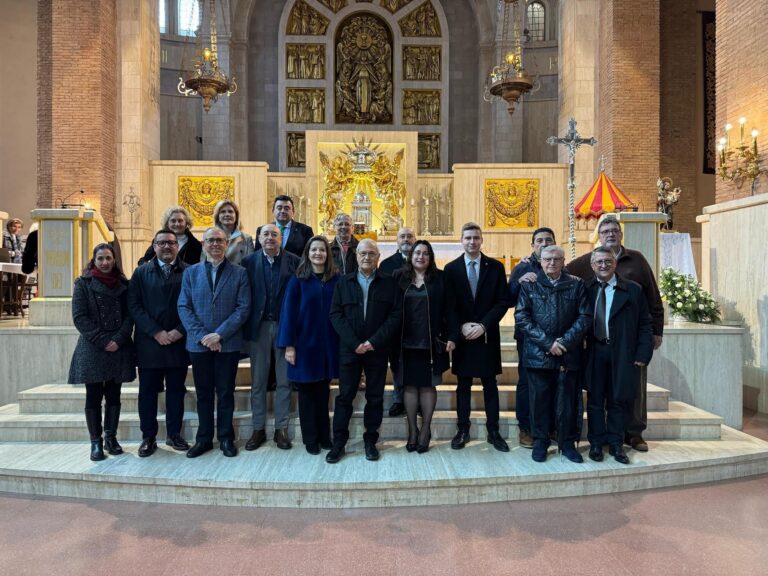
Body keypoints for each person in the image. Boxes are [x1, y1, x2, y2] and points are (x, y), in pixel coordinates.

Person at [565, 214, 664, 452]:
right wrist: (532, 266)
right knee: (597, 396)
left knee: (630, 390)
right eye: (605, 231)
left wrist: (655, 332)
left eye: (614, 231)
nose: (610, 234)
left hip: (628, 341)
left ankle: (633, 433)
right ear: (598, 237)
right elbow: (561, 270)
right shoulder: (588, 262)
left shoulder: (637, 260)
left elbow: (652, 297)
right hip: (598, 344)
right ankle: (599, 441)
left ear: (620, 234)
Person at [178, 227, 251, 458]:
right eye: (211, 240)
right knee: (204, 394)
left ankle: (226, 438)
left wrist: (219, 335)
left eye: (220, 240)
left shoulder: (240, 273)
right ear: (203, 244)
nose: (215, 244)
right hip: (199, 345)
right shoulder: (190, 273)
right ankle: (204, 439)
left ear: (227, 243)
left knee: (226, 393)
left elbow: (243, 308)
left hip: (227, 344)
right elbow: (184, 307)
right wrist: (203, 336)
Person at [327, 239, 401, 464]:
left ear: (378, 257)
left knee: (375, 397)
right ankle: (339, 442)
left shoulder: (389, 283)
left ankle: (370, 440)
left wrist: (373, 342)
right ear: (356, 256)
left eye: (371, 253)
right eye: (363, 253)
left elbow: (395, 315)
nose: (367, 257)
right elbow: (335, 314)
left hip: (377, 350)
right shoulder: (343, 282)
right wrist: (354, 343)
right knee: (344, 397)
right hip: (350, 350)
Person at [514, 245, 591, 463]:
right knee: (539, 402)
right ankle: (540, 442)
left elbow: (585, 316)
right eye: (547, 259)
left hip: (568, 354)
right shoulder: (530, 285)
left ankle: (567, 443)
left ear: (563, 261)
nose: (552, 263)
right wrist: (548, 343)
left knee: (567, 401)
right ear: (540, 262)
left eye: (557, 259)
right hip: (538, 354)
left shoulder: (576, 284)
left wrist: (564, 342)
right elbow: (522, 317)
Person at [444, 223, 510, 452]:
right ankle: (462, 430)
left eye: (476, 238)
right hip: (463, 337)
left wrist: (484, 325)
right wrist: (460, 326)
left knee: (490, 384)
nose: (472, 242)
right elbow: (449, 305)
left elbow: (502, 301)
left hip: (487, 335)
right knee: (463, 385)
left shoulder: (495, 267)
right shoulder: (451, 269)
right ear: (461, 240)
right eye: (468, 238)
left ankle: (494, 431)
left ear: (482, 240)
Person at [584, 246, 654, 465]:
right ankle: (596, 443)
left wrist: (643, 353)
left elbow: (645, 324)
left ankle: (616, 444)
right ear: (592, 265)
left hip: (622, 352)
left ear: (615, 263)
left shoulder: (633, 290)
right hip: (594, 352)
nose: (603, 265)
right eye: (599, 262)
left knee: (618, 400)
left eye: (608, 261)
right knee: (595, 401)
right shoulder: (585, 288)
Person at [68, 243, 135, 461]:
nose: (105, 262)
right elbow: (79, 317)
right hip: (93, 347)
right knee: (94, 395)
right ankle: (95, 442)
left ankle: (111, 438)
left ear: (114, 260)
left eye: (108, 258)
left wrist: (118, 339)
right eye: (100, 259)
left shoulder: (125, 284)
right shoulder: (83, 284)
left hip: (118, 347)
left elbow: (130, 316)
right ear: (94, 261)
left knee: (114, 395)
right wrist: (103, 340)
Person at [128, 229, 191, 457]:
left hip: (178, 341)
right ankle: (148, 437)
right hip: (149, 343)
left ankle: (174, 434)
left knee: (176, 391)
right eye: (162, 243)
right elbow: (134, 306)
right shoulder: (141, 272)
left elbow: (195, 304)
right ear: (154, 246)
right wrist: (156, 332)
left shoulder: (189, 271)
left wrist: (179, 331)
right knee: (147, 392)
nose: (167, 247)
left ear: (177, 246)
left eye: (171, 243)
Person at [277, 235, 340, 454]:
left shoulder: (335, 279)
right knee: (306, 395)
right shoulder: (298, 280)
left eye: (322, 250)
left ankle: (324, 436)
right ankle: (310, 439)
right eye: (314, 250)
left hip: (328, 345)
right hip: (304, 345)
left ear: (327, 254)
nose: (318, 253)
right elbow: (288, 314)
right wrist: (289, 345)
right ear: (307, 253)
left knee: (323, 393)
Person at [241, 224, 300, 451]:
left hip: (285, 326)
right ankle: (258, 429)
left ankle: (280, 429)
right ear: (259, 238)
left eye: (274, 234)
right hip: (259, 328)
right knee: (258, 381)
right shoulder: (248, 262)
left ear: (281, 238)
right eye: (265, 234)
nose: (269, 238)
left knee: (284, 380)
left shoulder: (294, 261)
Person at [393, 240, 454, 453]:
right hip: (405, 342)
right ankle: (412, 430)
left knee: (428, 385)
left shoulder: (440, 278)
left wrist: (452, 336)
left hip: (431, 342)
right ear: (411, 256)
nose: (421, 256)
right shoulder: (398, 277)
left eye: (425, 253)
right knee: (409, 386)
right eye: (417, 253)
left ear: (431, 257)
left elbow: (450, 309)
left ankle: (425, 430)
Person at [507, 227, 556, 448]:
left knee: (552, 382)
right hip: (528, 336)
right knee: (527, 382)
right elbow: (508, 299)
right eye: (539, 240)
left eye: (548, 240)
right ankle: (525, 427)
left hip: (554, 337)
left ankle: (549, 426)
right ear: (533, 245)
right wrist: (518, 282)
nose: (544, 244)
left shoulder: (559, 265)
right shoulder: (523, 267)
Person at [137, 206, 202, 266]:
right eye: (173, 221)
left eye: (180, 221)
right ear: (167, 224)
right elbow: (144, 260)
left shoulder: (196, 245)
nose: (177, 224)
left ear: (186, 224)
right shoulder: (158, 240)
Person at [210, 199, 254, 265]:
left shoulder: (247, 239)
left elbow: (251, 264)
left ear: (236, 216)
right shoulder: (209, 238)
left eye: (230, 212)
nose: (227, 214)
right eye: (223, 212)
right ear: (218, 217)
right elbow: (204, 264)